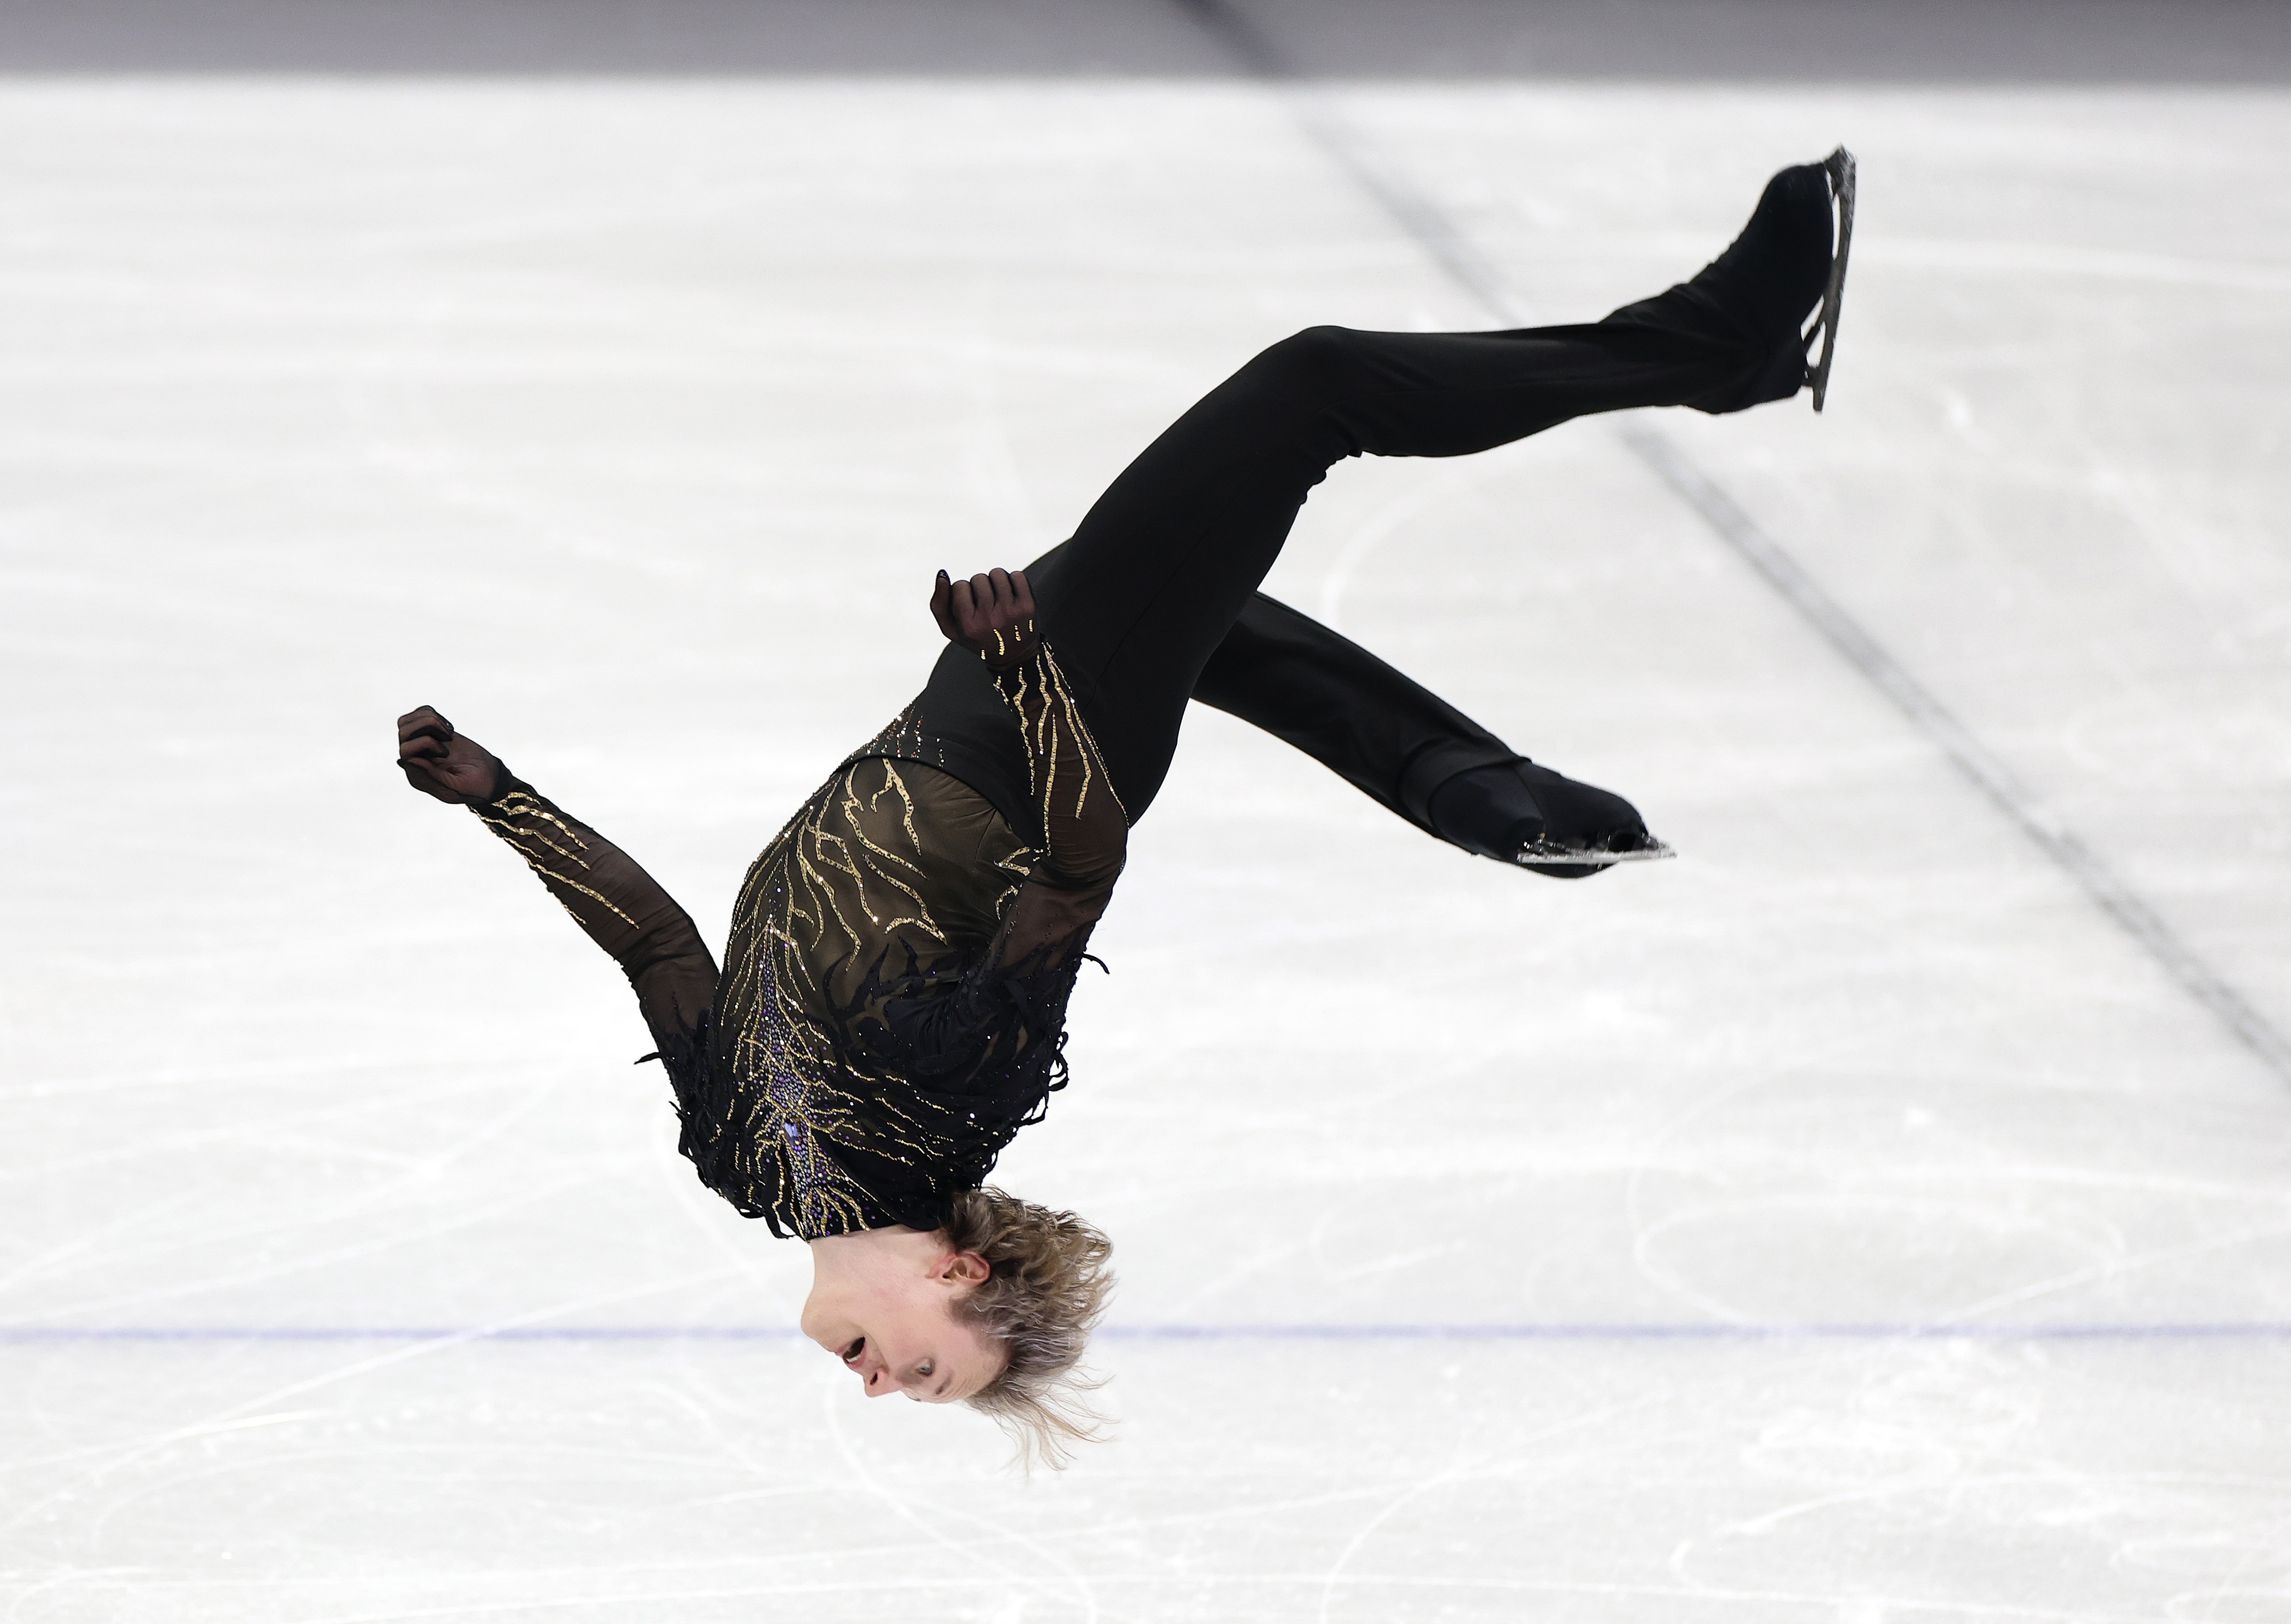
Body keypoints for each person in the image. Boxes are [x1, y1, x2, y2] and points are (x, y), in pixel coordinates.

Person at [394, 152, 1855, 1466]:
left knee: (1198, 599)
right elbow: (1083, 862)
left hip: (969, 707)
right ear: (961, 1277)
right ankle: (1715, 346)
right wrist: (1031, 675)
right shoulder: (950, 1104)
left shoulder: (741, 1159)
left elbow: (653, 944)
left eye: (901, 1389)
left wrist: (502, 799)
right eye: (933, 1374)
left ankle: (1472, 792)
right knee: (1312, 387)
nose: (885, 1384)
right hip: (1044, 739)